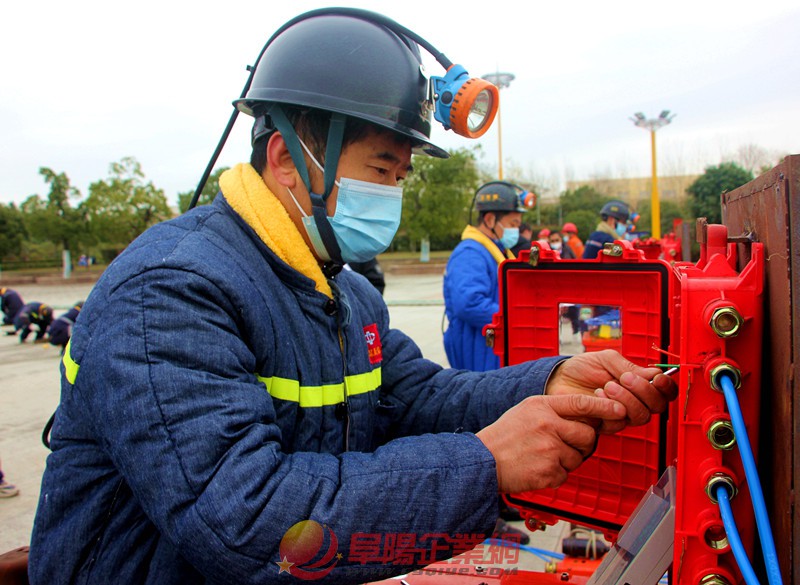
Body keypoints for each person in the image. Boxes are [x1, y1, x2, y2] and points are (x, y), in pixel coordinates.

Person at [30, 11, 676, 584]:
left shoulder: (345, 290)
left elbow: (418, 398)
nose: (391, 193)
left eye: (399, 176)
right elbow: (248, 521)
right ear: (287, 159)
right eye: (379, 170)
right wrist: (485, 464)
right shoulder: (170, 292)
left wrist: (549, 382)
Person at [443, 181, 526, 372]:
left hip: (491, 344)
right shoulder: (470, 253)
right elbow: (469, 303)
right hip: (477, 346)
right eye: (512, 224)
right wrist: (518, 317)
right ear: (489, 220)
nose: (516, 230)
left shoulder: (496, 250)